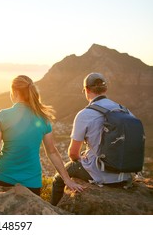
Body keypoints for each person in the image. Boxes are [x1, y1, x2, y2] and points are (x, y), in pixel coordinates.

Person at [0, 75, 83, 196]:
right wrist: (67, 180)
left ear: (13, 92)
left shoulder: (2, 115)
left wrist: (1, 164)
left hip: (3, 177)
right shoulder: (43, 118)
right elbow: (52, 152)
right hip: (31, 182)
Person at [50, 72, 133, 205]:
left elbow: (73, 153)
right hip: (125, 174)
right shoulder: (125, 111)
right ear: (105, 89)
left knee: (59, 178)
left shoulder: (85, 114)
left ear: (86, 90)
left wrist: (82, 159)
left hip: (99, 173)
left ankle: (53, 211)